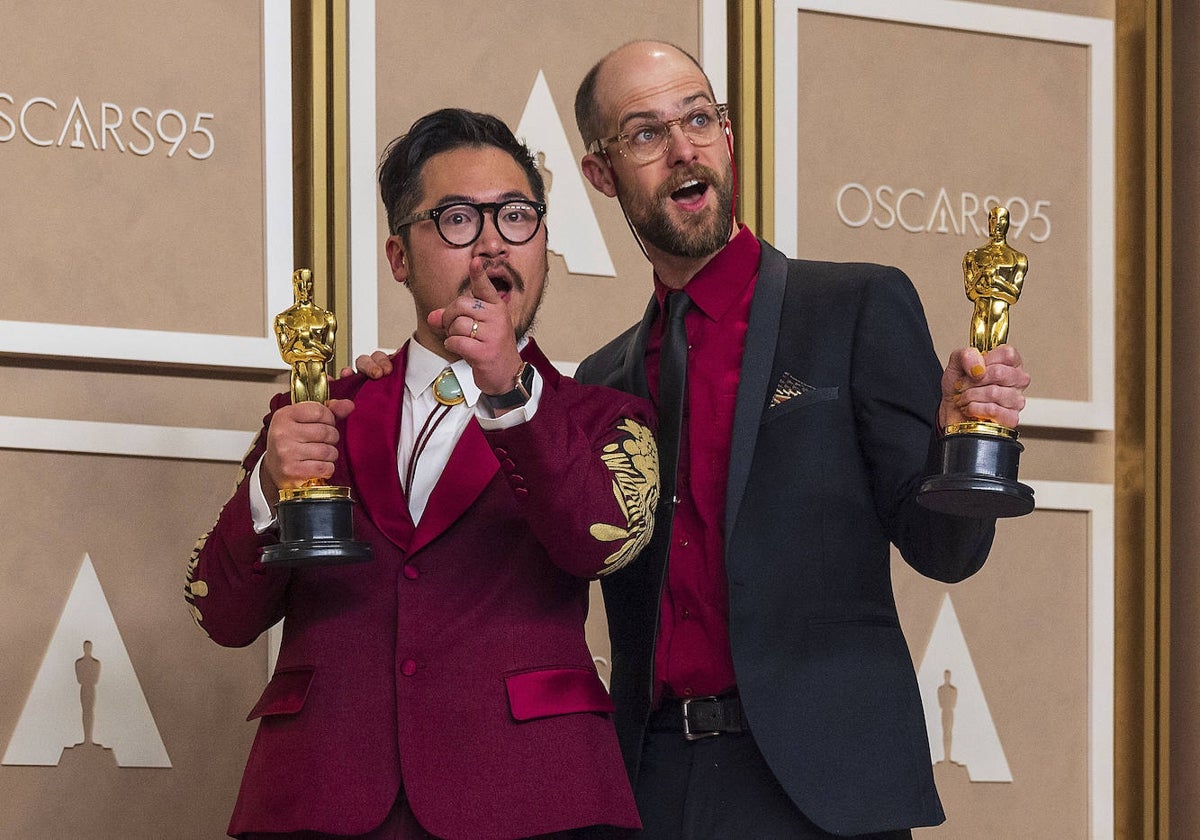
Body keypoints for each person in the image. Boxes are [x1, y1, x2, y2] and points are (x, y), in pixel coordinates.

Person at [570, 41, 1030, 839]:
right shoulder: (602, 378)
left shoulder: (855, 307)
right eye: (645, 134)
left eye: (699, 119)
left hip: (825, 790)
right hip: (654, 790)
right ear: (601, 173)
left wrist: (962, 441)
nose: (684, 148)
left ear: (729, 137)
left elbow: (945, 551)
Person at [184, 108, 656, 840]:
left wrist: (507, 391)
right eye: (460, 218)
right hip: (322, 798)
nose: (495, 240)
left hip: (535, 801)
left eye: (518, 216)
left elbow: (601, 545)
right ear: (399, 257)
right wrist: (269, 486)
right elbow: (224, 616)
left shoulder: (600, 417)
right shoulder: (319, 412)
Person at [963, 205, 1027, 353]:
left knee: (996, 361)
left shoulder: (1017, 258)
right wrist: (982, 276)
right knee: (975, 361)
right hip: (980, 314)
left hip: (1000, 315)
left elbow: (1013, 296)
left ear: (1008, 223)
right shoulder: (973, 255)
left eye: (1002, 219)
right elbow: (970, 292)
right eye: (993, 218)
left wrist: (995, 282)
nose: (997, 223)